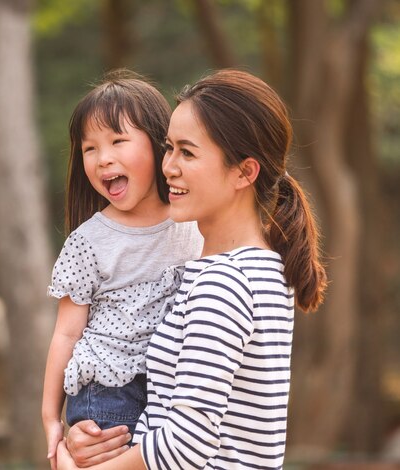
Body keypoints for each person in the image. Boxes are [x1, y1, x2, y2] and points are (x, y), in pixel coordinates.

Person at [56, 69, 328, 469]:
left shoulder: (224, 281)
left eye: (188, 152)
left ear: (244, 172)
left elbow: (187, 440)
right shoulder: (267, 265)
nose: (169, 167)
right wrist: (94, 436)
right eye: (168, 148)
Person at [42, 70, 204, 469]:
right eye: (90, 148)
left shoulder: (194, 224)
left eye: (118, 141)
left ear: (157, 144)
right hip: (108, 394)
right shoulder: (88, 242)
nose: (104, 158)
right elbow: (66, 333)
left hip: (172, 389)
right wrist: (50, 418)